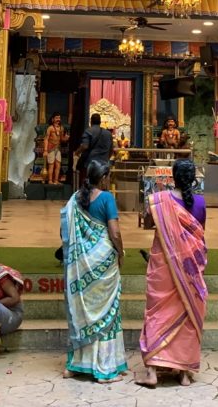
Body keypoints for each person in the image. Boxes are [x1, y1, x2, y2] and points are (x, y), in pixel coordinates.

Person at [135, 158, 207, 388]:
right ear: (193, 178)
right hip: (189, 269)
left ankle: (153, 371)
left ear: (172, 177)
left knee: (157, 313)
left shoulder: (160, 201)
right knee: (186, 314)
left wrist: (156, 207)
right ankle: (184, 373)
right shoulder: (201, 203)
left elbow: (147, 224)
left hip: (163, 268)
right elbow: (199, 236)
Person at [61, 159, 127, 383]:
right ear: (104, 177)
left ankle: (77, 364)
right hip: (104, 261)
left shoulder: (75, 198)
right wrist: (121, 252)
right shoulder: (107, 198)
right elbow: (115, 232)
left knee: (83, 311)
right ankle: (105, 366)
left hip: (81, 264)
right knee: (107, 312)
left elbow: (65, 232)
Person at [75, 113, 113, 187]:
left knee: (90, 186)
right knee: (103, 186)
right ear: (100, 121)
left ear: (91, 121)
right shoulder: (108, 133)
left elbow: (85, 146)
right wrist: (105, 158)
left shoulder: (88, 131)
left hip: (91, 164)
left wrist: (77, 152)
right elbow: (111, 150)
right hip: (104, 164)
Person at [44, 112, 69, 185]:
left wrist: (66, 138)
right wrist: (45, 150)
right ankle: (50, 181)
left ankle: (56, 180)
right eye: (56, 118)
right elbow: (46, 139)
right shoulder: (50, 128)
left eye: (59, 118)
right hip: (50, 148)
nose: (58, 119)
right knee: (51, 165)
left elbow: (62, 139)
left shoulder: (61, 128)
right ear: (53, 119)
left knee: (58, 165)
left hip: (58, 148)